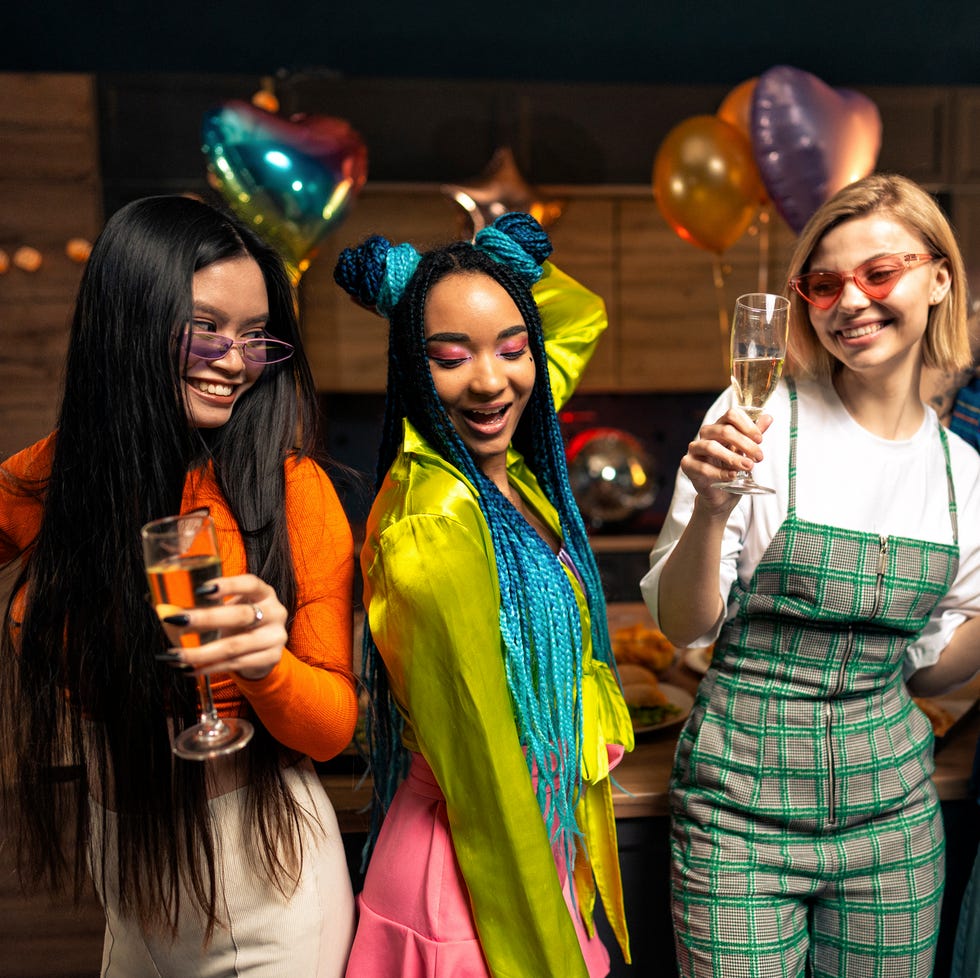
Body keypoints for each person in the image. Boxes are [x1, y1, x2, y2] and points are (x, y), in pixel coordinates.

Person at [0, 195, 358, 977]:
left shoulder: (292, 491)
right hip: (129, 883)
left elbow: (330, 729)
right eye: (207, 328)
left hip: (265, 882)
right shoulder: (69, 481)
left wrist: (268, 667)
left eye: (255, 337)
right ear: (130, 324)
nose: (236, 361)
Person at [640, 173, 980, 977]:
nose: (850, 301)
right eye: (823, 284)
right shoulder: (756, 416)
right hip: (738, 824)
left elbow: (932, 673)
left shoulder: (962, 475)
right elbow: (683, 627)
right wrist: (716, 509)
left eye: (879, 273)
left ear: (938, 278)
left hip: (893, 826)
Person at [332, 212, 634, 978]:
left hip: (539, 847)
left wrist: (468, 268)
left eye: (512, 346)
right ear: (411, 364)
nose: (492, 380)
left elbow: (578, 316)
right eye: (449, 354)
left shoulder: (505, 464)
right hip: (473, 883)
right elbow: (490, 782)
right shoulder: (433, 522)